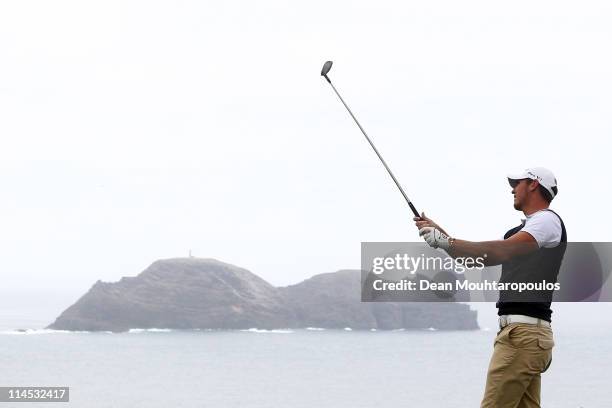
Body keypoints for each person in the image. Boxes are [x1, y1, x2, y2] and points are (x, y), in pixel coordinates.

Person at [414, 167, 566, 408]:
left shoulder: (547, 221)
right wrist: (441, 236)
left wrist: (446, 240)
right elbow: (477, 257)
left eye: (518, 183)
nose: (512, 188)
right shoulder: (521, 231)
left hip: (522, 336)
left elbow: (498, 251)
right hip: (524, 335)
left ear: (534, 184)